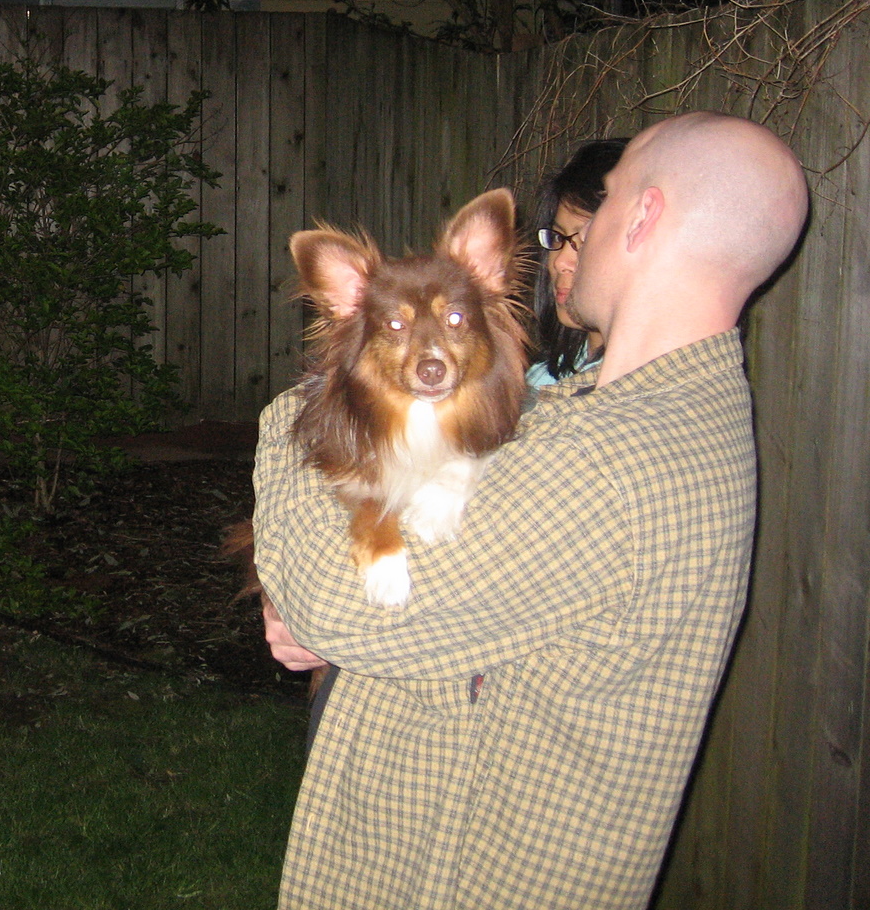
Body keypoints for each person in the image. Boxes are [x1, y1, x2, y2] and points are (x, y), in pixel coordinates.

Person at [254, 112, 808, 909]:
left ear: (642, 217)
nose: (562, 243)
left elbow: (340, 607)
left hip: (458, 881)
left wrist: (293, 423)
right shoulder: (615, 411)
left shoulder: (612, 463)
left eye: (604, 201)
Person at [527, 137, 629, 388]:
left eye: (584, 243)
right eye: (558, 237)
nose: (561, 262)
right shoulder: (542, 378)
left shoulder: (634, 392)